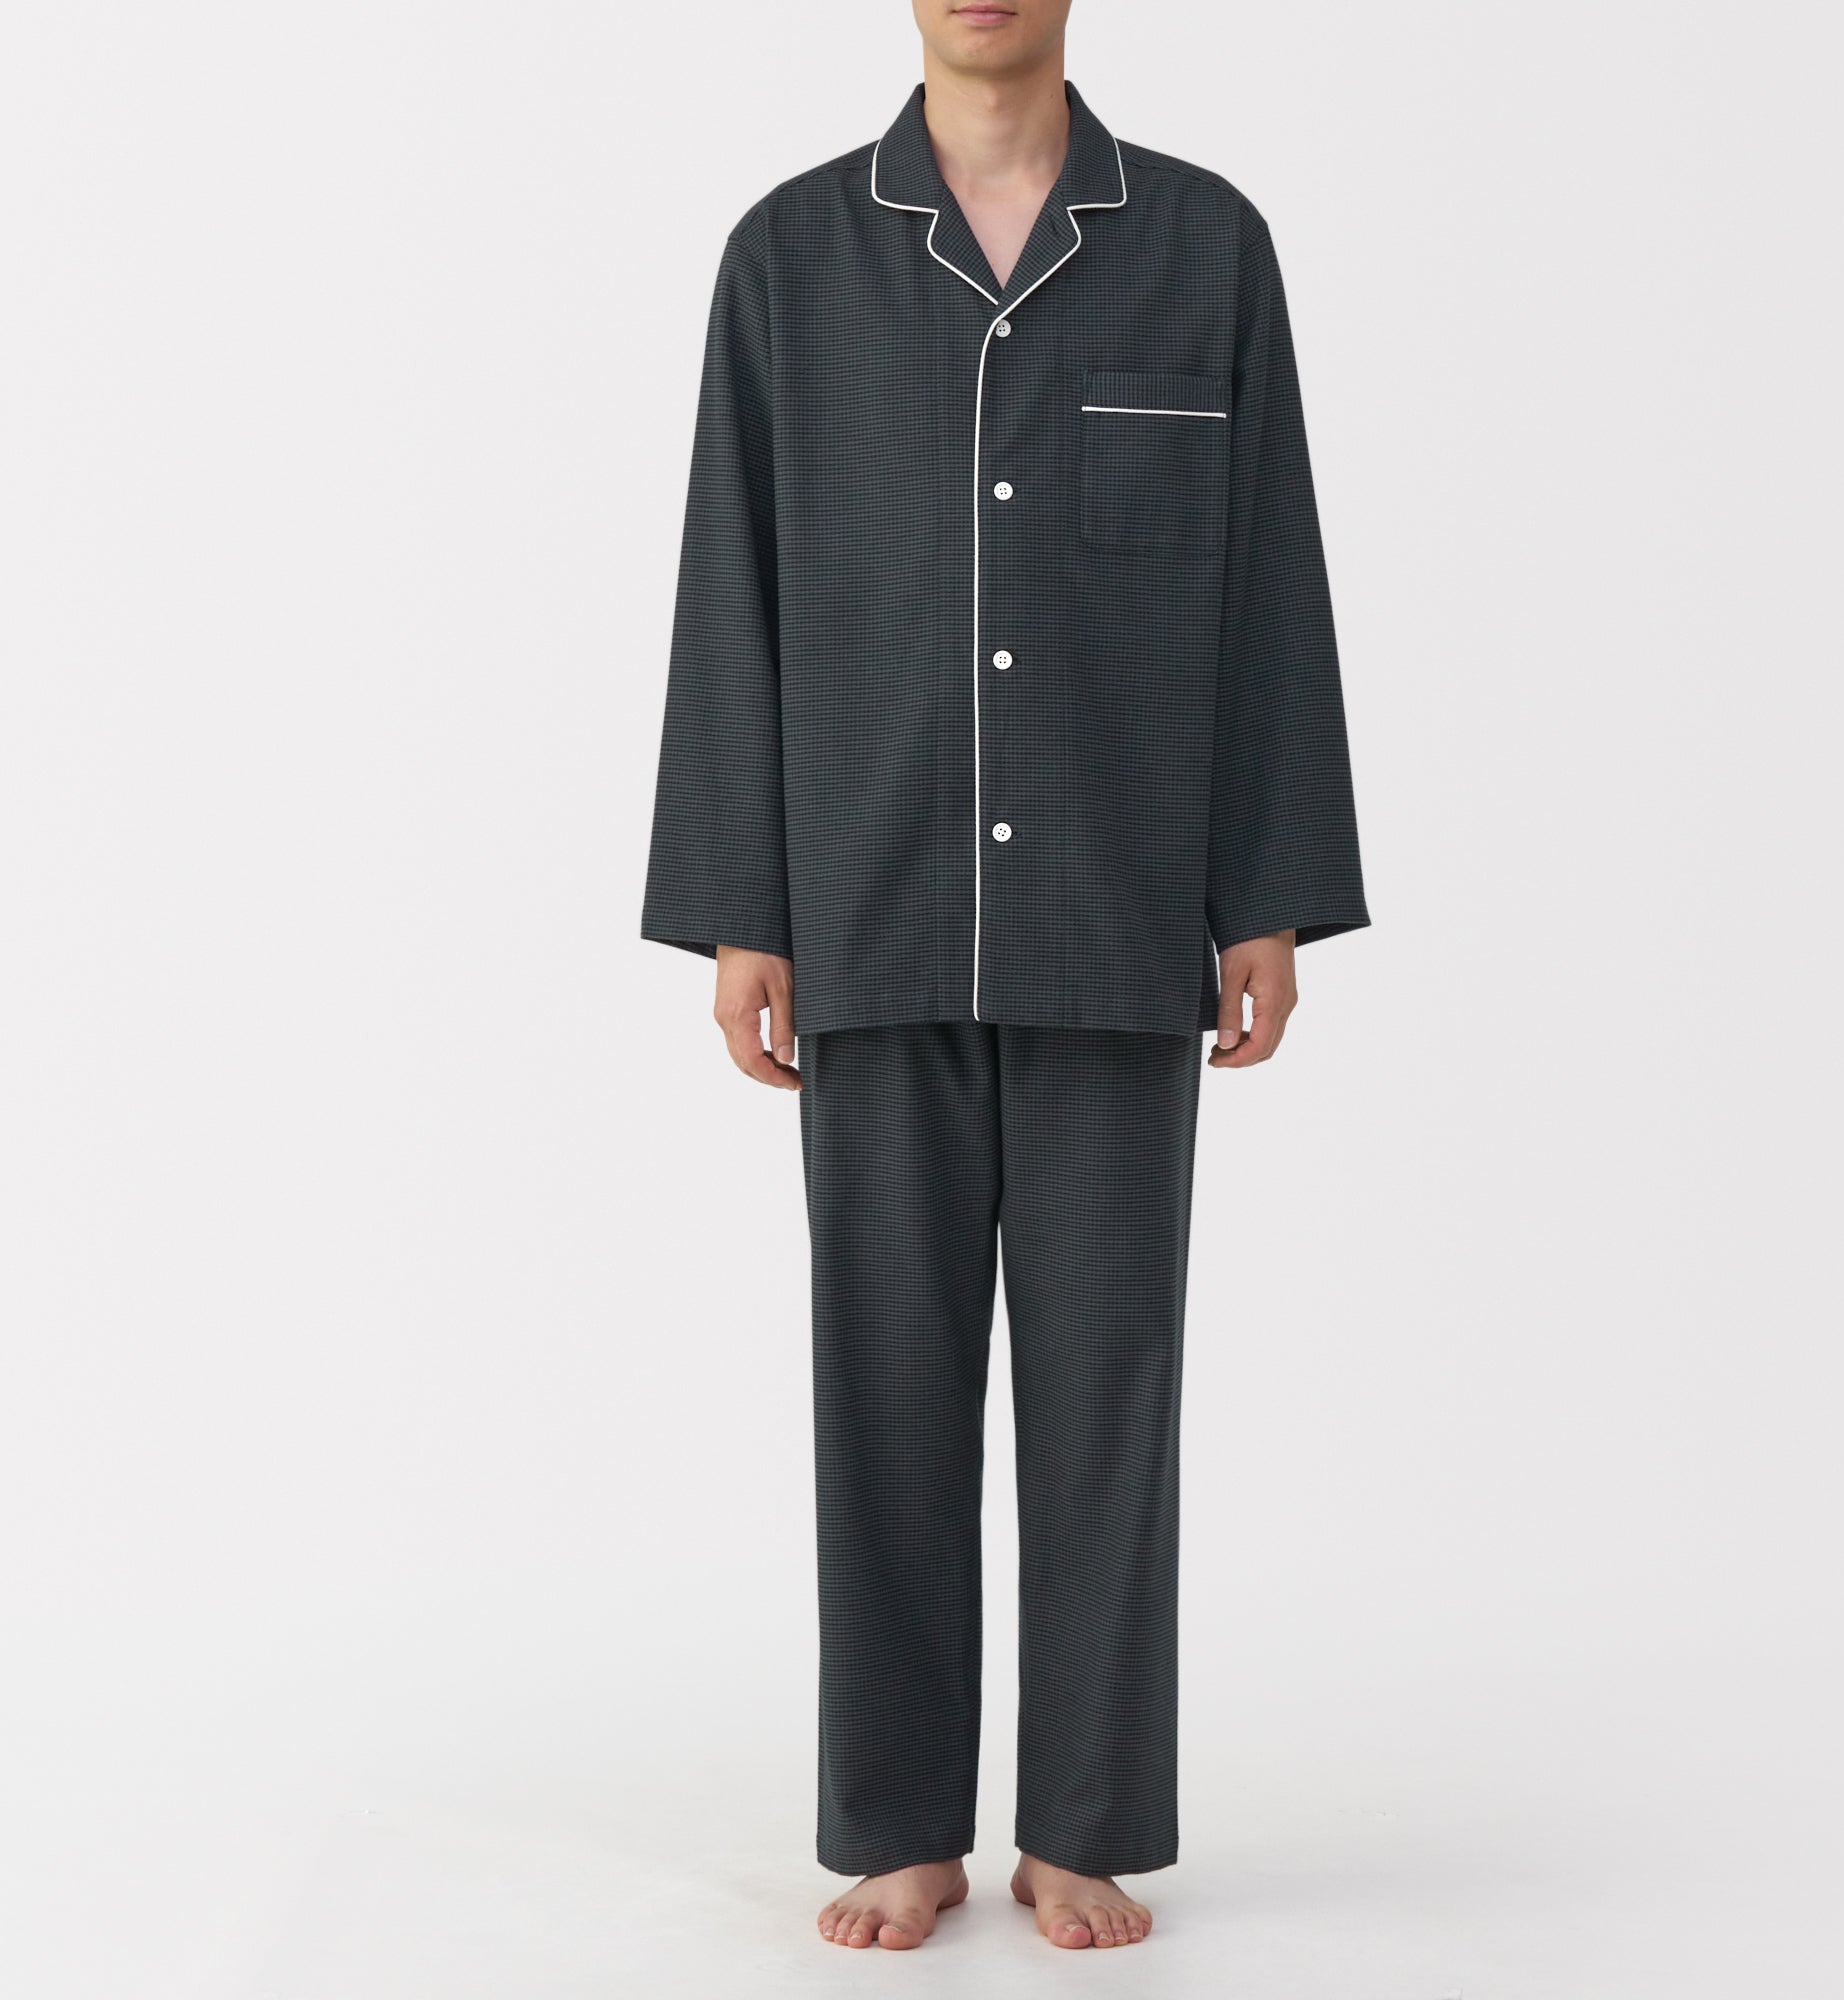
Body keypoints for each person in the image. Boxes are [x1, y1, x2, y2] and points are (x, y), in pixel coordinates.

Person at [641, 0, 1368, 1953]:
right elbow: (730, 576)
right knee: (881, 1385)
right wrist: (741, 902)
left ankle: (1083, 1821)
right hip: (867, 905)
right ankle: (897, 1820)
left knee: (1108, 1390)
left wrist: (1266, 888)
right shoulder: (790, 256)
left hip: (1119, 916)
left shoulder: (1204, 245)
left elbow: (1268, 576)